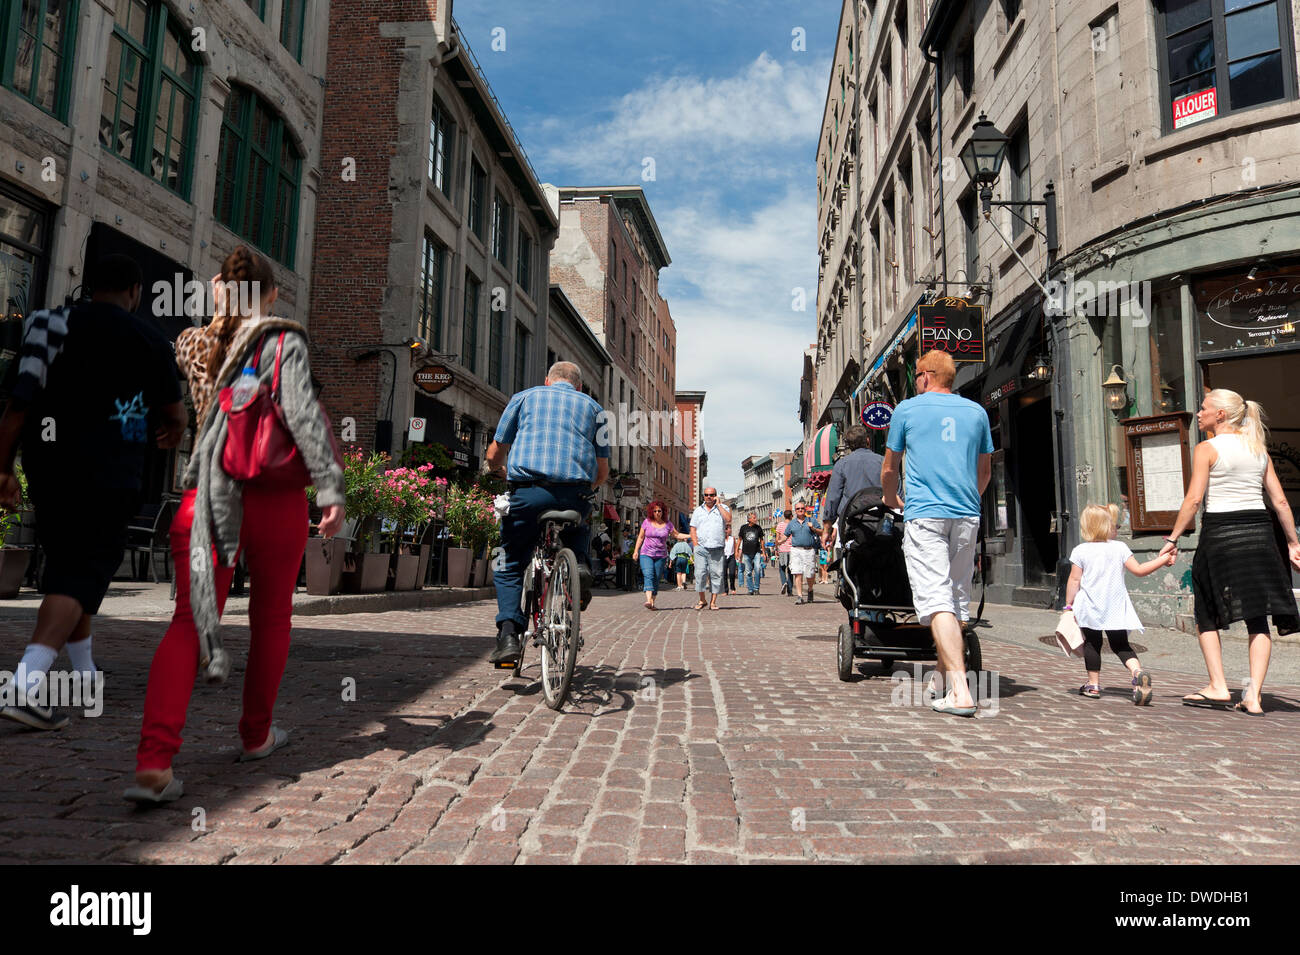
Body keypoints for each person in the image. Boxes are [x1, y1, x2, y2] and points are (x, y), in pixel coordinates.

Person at [129, 246, 345, 802]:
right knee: (272, 620)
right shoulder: (283, 341)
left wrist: (219, 303)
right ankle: (255, 735)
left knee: (187, 624)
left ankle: (154, 762)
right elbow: (299, 414)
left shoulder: (193, 343)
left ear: (219, 289)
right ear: (273, 295)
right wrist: (329, 489)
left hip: (206, 499)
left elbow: (181, 356)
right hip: (273, 500)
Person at [0, 254, 186, 731]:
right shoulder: (150, 339)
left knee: (69, 568)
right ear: (135, 292)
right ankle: (24, 686)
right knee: (78, 577)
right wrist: (171, 431)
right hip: (112, 475)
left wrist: (3, 471)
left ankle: (82, 674)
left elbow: (16, 409)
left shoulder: (46, 323)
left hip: (50, 469)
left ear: (89, 285)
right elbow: (176, 414)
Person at [1160, 390, 1300, 715]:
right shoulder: (1257, 449)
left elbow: (1194, 500)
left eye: (1205, 408)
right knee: (1258, 614)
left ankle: (1218, 686)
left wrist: (1173, 537)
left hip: (1221, 533)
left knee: (1206, 608)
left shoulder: (1207, 448)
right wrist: (1293, 542)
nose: (1199, 412)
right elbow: (1279, 501)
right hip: (1259, 533)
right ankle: (1253, 697)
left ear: (1220, 415)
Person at [881, 350, 992, 718]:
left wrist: (889, 497)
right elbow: (985, 472)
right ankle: (941, 681)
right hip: (966, 514)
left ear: (926, 376)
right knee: (957, 598)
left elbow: (889, 467)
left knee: (936, 599)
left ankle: (961, 691)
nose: (915, 382)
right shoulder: (977, 412)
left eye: (916, 376)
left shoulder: (907, 410)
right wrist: (966, 500)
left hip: (926, 515)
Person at [485, 362, 606, 664]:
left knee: (509, 561)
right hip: (575, 494)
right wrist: (585, 485)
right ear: (579, 386)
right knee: (578, 530)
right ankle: (578, 566)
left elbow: (495, 451)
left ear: (547, 381)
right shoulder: (596, 410)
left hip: (530, 492)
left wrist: (496, 469)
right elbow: (603, 470)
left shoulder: (524, 398)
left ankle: (509, 636)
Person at [1065, 504, 1175, 704]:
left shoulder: (1081, 550)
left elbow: (1074, 580)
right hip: (1115, 606)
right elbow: (1140, 570)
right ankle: (1137, 672)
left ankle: (1093, 685)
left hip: (1090, 607)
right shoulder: (1120, 547)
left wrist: (1068, 604)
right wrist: (1164, 559)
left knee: (1092, 643)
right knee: (1120, 644)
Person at [820, 425, 885, 555]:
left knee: (849, 560)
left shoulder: (842, 465)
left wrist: (826, 529)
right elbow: (897, 492)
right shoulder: (883, 462)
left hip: (851, 524)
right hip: (880, 522)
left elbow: (833, 498)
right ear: (868, 440)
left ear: (849, 445)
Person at [632, 500, 687, 610]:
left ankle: (652, 601)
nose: (657, 513)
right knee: (648, 575)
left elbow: (677, 535)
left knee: (656, 578)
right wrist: (636, 551)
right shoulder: (647, 522)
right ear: (652, 512)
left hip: (661, 556)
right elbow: (641, 537)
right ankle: (648, 600)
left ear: (663, 512)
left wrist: (692, 535)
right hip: (646, 553)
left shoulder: (668, 524)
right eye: (655, 511)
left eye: (659, 511)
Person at [690, 486, 730, 610]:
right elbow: (693, 528)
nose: (709, 497)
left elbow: (728, 520)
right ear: (703, 496)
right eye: (707, 495)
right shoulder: (698, 511)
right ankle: (702, 600)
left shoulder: (723, 509)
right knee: (700, 574)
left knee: (716, 575)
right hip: (701, 548)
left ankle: (713, 602)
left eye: (712, 495)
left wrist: (718, 505)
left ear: (716, 496)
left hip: (717, 548)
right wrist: (695, 544)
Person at [778, 501, 821, 604]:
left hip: (809, 550)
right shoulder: (792, 523)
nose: (800, 510)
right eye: (798, 509)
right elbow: (786, 535)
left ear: (805, 509)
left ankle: (810, 590)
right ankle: (800, 596)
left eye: (802, 508)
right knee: (797, 572)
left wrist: (813, 528)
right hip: (796, 550)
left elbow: (822, 532)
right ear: (795, 511)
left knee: (810, 574)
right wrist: (779, 541)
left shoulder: (812, 520)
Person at [738, 513, 766, 595]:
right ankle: (750, 589)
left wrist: (763, 552)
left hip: (756, 552)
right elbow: (739, 540)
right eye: (754, 518)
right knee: (748, 572)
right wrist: (736, 551)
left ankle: (756, 588)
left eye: (755, 517)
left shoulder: (758, 528)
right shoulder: (743, 528)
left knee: (757, 569)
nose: (756, 519)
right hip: (746, 552)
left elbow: (762, 540)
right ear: (749, 519)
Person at [775, 509, 794, 594]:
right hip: (792, 549)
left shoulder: (780, 525)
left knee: (782, 568)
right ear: (791, 516)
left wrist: (776, 548)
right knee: (790, 570)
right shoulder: (793, 524)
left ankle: (784, 582)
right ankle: (790, 590)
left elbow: (777, 538)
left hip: (782, 549)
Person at [723, 530, 737, 595]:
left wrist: (736, 554)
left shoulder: (732, 538)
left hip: (731, 557)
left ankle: (732, 588)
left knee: (732, 573)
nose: (726, 531)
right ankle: (725, 590)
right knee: (724, 574)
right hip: (723, 557)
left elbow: (735, 547)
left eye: (727, 530)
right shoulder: (721, 539)